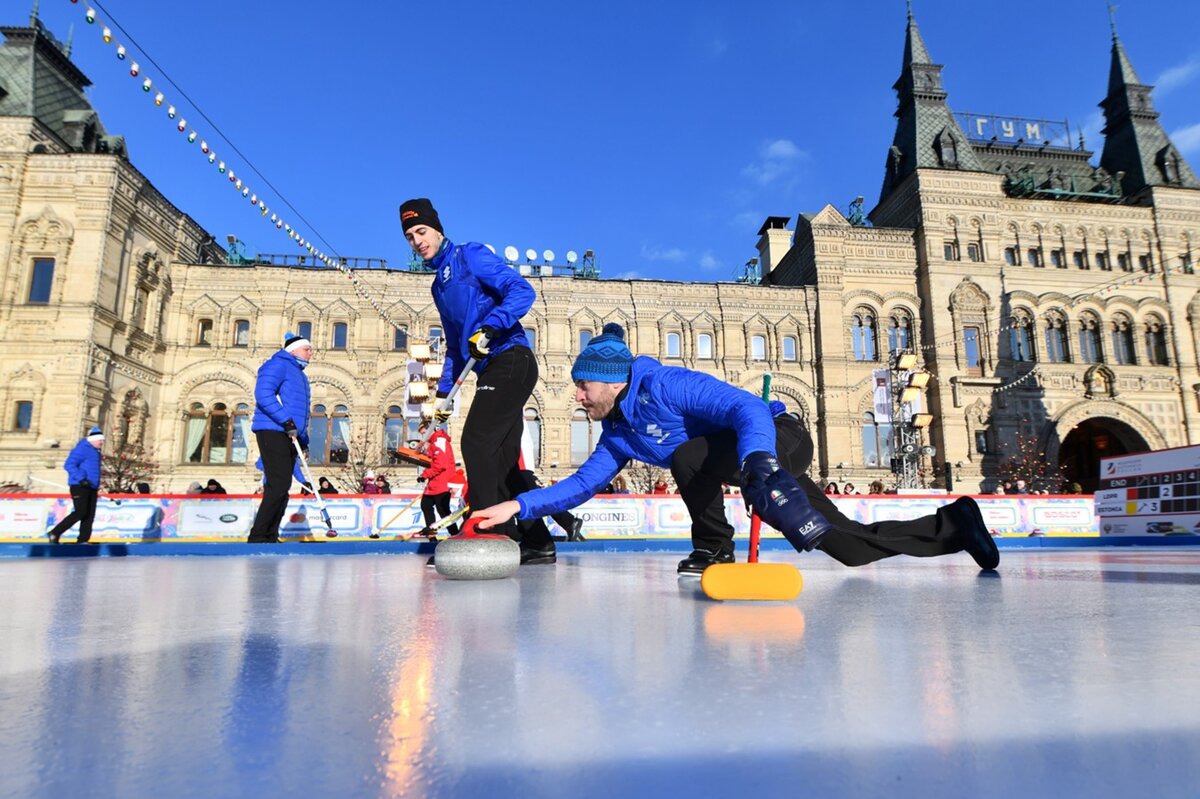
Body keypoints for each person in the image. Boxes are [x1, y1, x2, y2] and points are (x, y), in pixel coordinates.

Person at [472, 323, 999, 574]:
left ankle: (714, 546)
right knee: (847, 547)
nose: (578, 396)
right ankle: (956, 524)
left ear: (609, 382)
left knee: (686, 456)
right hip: (747, 463)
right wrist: (519, 505)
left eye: (583, 387)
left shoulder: (666, 385)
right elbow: (581, 486)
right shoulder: (618, 434)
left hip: (777, 441)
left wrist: (757, 461)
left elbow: (747, 409)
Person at [400, 197, 554, 564]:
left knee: (476, 441)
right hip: (490, 367)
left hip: (511, 358)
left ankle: (487, 531)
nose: (417, 240)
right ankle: (536, 541)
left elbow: (522, 291)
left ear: (437, 229)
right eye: (409, 236)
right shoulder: (438, 286)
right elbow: (455, 347)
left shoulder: (470, 256)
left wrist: (491, 325)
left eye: (422, 231)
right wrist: (442, 396)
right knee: (502, 462)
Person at [248, 332, 312, 543]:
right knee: (277, 483)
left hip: (288, 433)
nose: (311, 353)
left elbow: (300, 411)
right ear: (293, 350)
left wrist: (304, 441)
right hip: (272, 429)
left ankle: (270, 534)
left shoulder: (300, 375)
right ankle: (259, 535)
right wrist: (286, 421)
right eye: (307, 349)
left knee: (283, 486)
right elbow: (264, 394)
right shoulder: (277, 364)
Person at [46, 426, 104, 544]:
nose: (102, 442)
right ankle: (55, 532)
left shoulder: (96, 452)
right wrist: (81, 479)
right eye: (100, 440)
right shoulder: (82, 449)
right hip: (80, 486)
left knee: (89, 515)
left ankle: (83, 539)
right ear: (92, 439)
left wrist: (96, 484)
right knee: (81, 512)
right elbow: (69, 464)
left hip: (91, 486)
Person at [416, 420, 459, 537]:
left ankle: (455, 534)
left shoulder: (440, 441)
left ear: (432, 430)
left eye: (424, 433)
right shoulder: (434, 442)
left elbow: (441, 464)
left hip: (442, 482)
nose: (423, 436)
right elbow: (432, 457)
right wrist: (421, 452)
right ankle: (431, 534)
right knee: (426, 505)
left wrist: (424, 475)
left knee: (443, 510)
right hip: (435, 483)